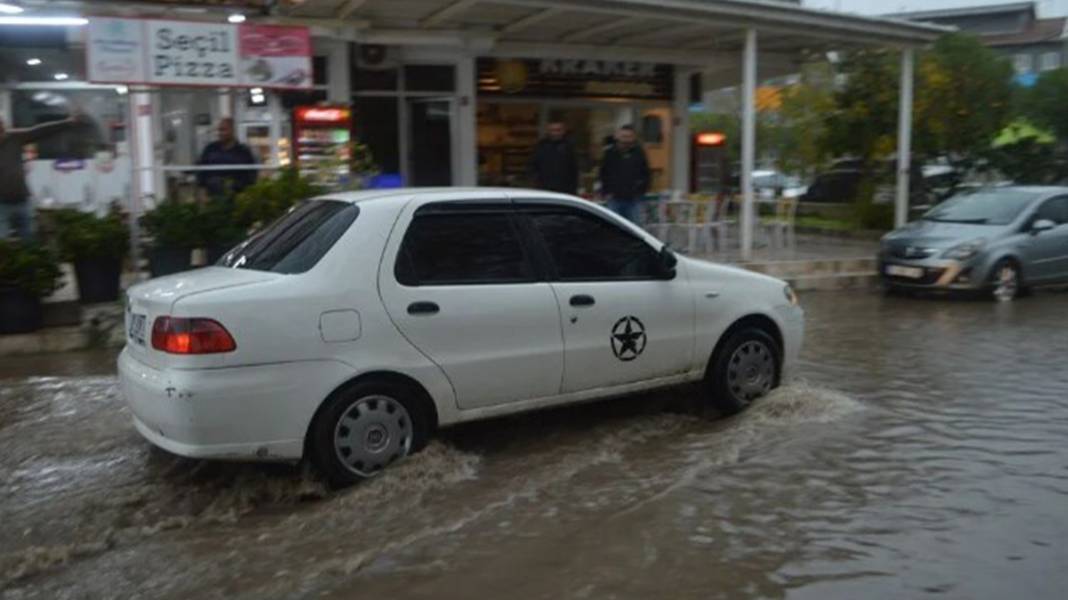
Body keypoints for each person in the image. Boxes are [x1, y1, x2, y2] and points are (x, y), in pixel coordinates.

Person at [0, 114, 82, 239]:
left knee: (30, 241)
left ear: (3, 127)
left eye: (1, 128)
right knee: (3, 244)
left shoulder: (14, 137)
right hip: (2, 204)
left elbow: (40, 131)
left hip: (23, 200)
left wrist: (66, 123)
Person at [599, 124, 650, 223]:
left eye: (629, 136)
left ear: (634, 138)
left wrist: (641, 190)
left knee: (635, 229)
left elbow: (646, 173)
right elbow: (603, 173)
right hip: (614, 198)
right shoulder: (610, 153)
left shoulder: (639, 153)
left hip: (634, 199)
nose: (626, 140)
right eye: (624, 136)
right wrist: (606, 191)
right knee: (614, 227)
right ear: (618, 137)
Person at [196, 118, 258, 197]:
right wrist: (202, 191)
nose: (220, 133)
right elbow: (201, 170)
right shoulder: (210, 149)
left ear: (232, 130)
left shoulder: (243, 151)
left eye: (223, 130)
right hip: (212, 196)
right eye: (219, 130)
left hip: (237, 196)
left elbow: (251, 175)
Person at [528, 121, 579, 194]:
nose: (555, 133)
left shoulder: (569, 147)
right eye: (552, 130)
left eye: (558, 130)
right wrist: (535, 181)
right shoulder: (541, 146)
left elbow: (574, 169)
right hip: (544, 187)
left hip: (565, 188)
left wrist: (573, 188)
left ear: (563, 131)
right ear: (548, 131)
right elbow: (532, 165)